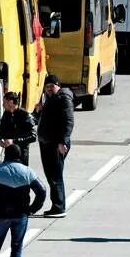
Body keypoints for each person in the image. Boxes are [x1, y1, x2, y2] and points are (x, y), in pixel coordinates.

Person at [34, 75, 74, 216]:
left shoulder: (63, 98)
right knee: (51, 175)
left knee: (55, 175)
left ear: (58, 85)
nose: (50, 89)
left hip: (56, 144)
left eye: (52, 86)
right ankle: (56, 205)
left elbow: (68, 121)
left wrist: (62, 142)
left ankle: (59, 207)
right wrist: (38, 111)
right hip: (47, 143)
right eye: (47, 87)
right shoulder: (50, 99)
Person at [0, 90, 38, 165]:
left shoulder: (26, 116)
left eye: (4, 102)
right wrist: (0, 140)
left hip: (21, 155)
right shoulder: (6, 114)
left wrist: (14, 141)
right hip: (8, 154)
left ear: (11, 102)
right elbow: (1, 130)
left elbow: (33, 137)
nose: (3, 105)